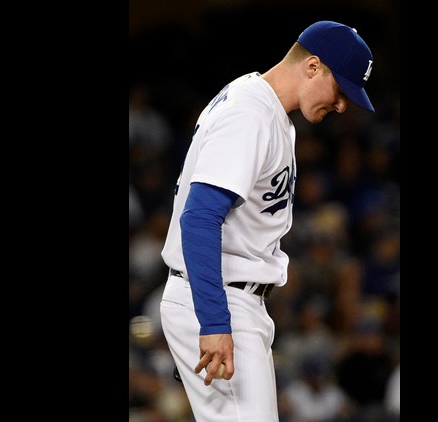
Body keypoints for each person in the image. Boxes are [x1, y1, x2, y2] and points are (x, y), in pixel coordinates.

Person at [158, 20, 376, 421]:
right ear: (312, 66)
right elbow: (201, 217)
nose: (343, 105)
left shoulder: (267, 112)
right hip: (219, 298)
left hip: (228, 298)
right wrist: (212, 322)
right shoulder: (250, 112)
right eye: (340, 89)